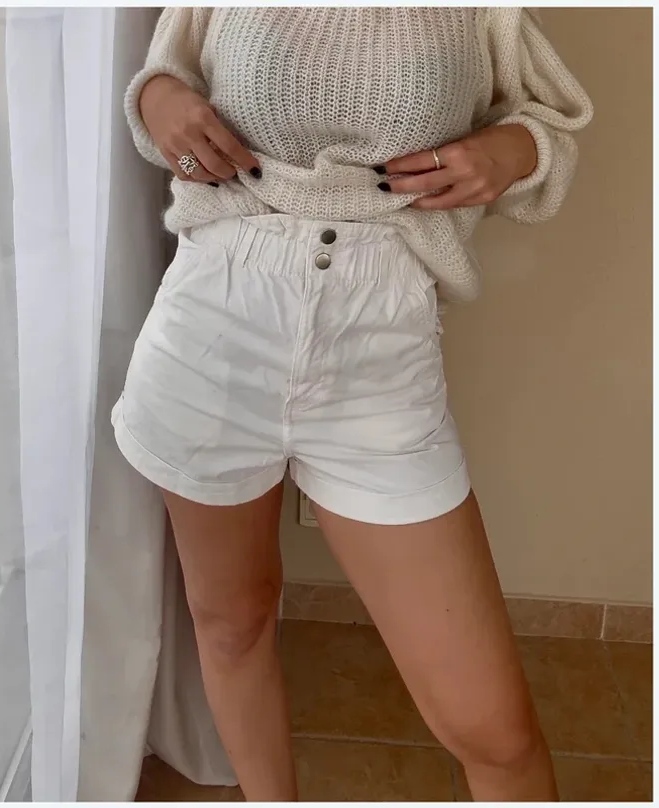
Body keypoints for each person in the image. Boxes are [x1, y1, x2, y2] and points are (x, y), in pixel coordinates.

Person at [112, 7, 593, 801]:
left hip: (381, 353)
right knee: (231, 625)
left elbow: (549, 121)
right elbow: (166, 76)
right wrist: (159, 100)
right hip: (213, 329)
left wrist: (511, 151)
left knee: (496, 734)